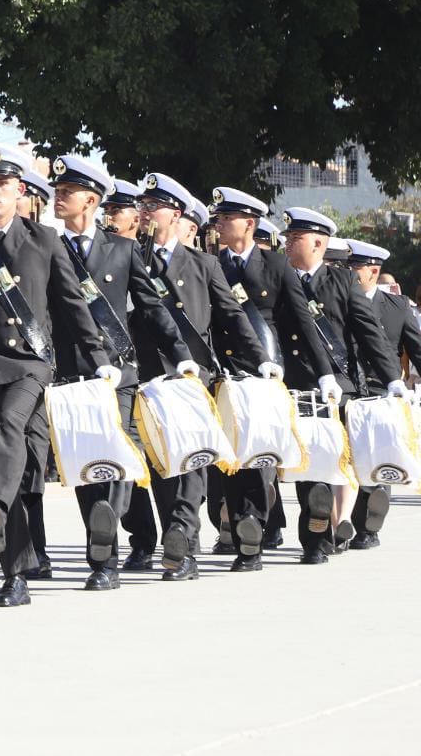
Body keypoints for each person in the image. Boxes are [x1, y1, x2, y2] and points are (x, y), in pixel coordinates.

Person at [0, 142, 113, 607]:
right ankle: (14, 575)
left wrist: (98, 357)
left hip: (28, 363)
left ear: (20, 191)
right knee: (4, 458)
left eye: (3, 184)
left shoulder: (43, 241)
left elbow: (72, 305)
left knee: (9, 428)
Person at [49, 155, 196, 590]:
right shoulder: (47, 246)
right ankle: (102, 549)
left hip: (117, 372)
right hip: (70, 371)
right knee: (82, 465)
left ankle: (106, 550)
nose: (58, 197)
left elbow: (152, 307)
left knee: (115, 452)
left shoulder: (122, 249)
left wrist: (181, 352)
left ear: (90, 201)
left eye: (66, 192)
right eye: (57, 191)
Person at [127, 173, 270, 582]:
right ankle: (181, 543)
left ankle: (182, 539)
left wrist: (260, 360)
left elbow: (232, 315)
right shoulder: (132, 258)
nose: (145, 213)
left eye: (153, 207)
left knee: (191, 461)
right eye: (143, 206)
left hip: (193, 376)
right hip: (150, 376)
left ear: (175, 214)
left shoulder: (203, 264)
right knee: (162, 465)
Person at [208, 187, 329, 566]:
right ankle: (241, 521)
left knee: (259, 458)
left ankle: (252, 529)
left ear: (249, 223)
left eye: (227, 218)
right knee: (231, 457)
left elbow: (303, 322)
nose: (220, 224)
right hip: (226, 375)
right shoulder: (212, 264)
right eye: (218, 218)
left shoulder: (276, 266)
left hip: (267, 374)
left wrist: (324, 372)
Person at [280, 207, 406, 564]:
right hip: (297, 386)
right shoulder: (281, 277)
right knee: (307, 467)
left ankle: (338, 520)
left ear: (318, 243)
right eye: (288, 238)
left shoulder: (342, 282)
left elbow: (369, 335)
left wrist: (393, 379)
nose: (288, 243)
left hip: (338, 386)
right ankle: (315, 539)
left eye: (295, 238)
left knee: (335, 458)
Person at [345, 240, 421, 549]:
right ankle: (339, 520)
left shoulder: (397, 306)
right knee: (348, 458)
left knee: (378, 454)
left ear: (373, 271)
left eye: (354, 269)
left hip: (384, 387)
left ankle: (368, 525)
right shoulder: (338, 300)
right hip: (350, 385)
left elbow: (420, 352)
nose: (348, 274)